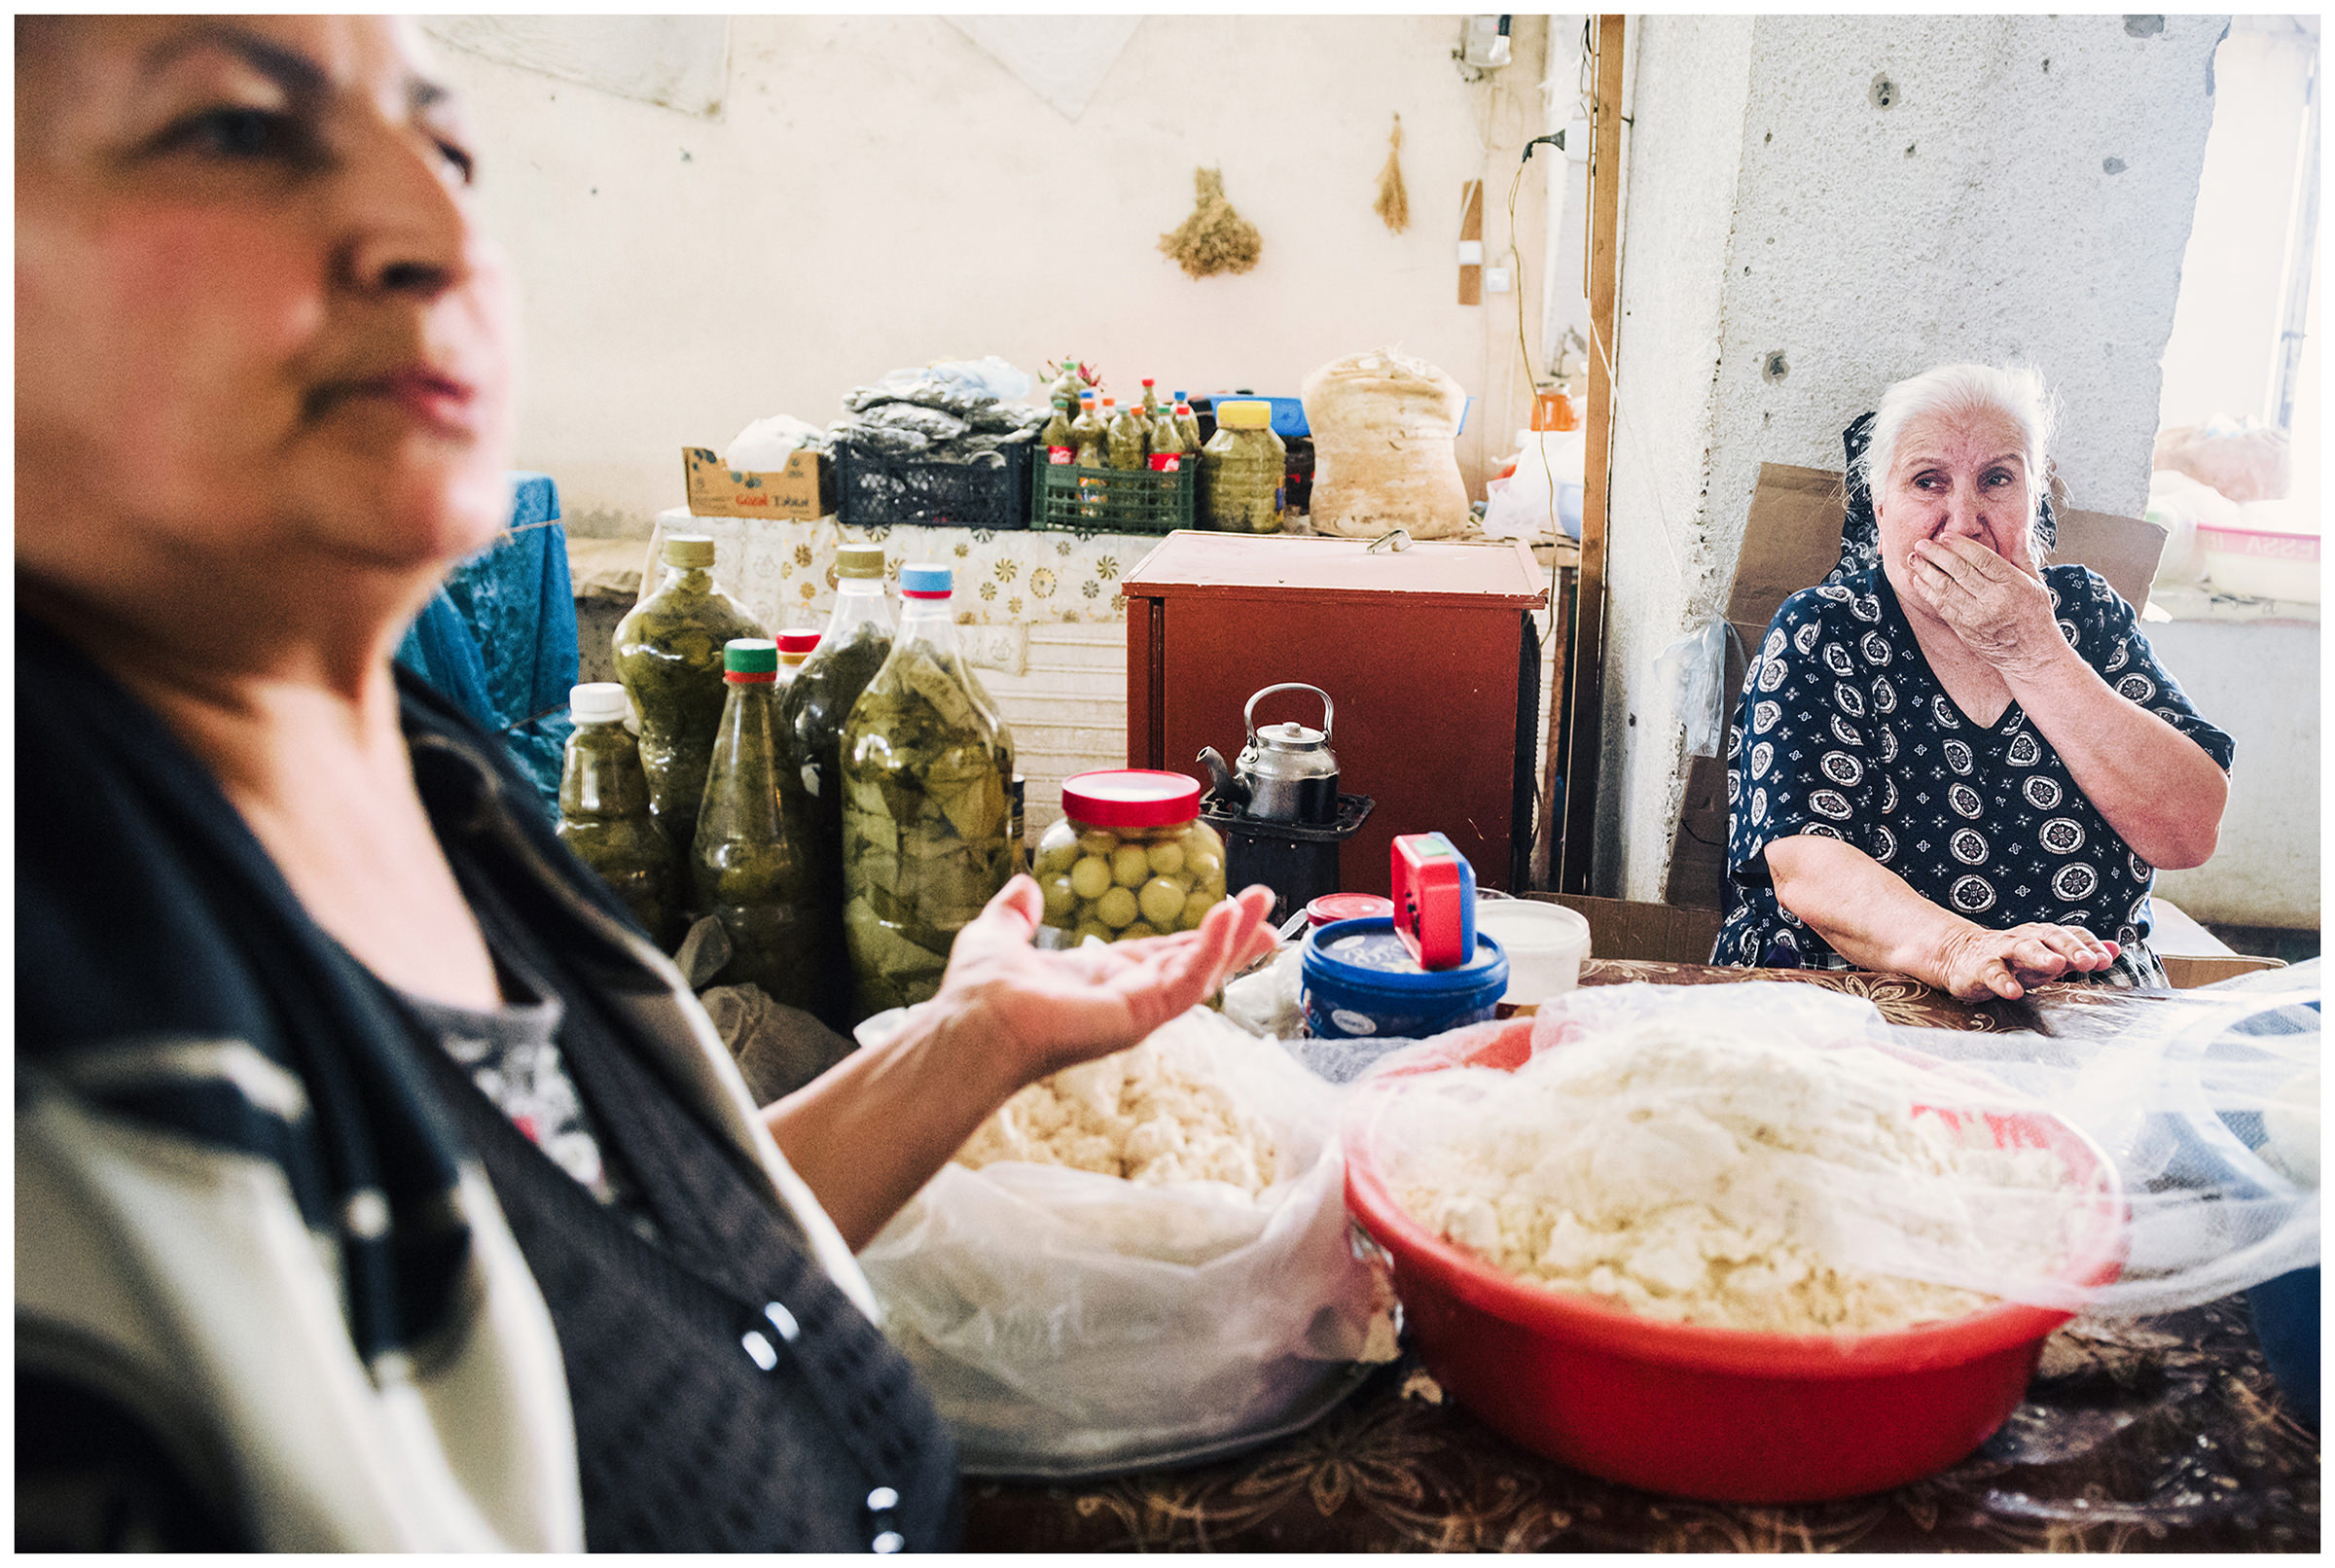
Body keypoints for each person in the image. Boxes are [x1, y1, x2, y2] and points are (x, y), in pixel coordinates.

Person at [15, 17, 1275, 1552]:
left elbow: (650, 1284)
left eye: (450, 148)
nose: (431, 230)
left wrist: (969, 1039)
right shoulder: (73, 993)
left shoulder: (441, 784)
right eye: (231, 129)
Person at [1712, 363, 2234, 999]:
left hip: (2080, 1002)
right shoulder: (1825, 627)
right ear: (1880, 505)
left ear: (2033, 496)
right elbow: (1804, 864)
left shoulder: (2084, 615)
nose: (1963, 521)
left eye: (1996, 480)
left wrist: (2035, 654)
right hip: (1851, 998)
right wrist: (1963, 947)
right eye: (1928, 482)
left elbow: (2188, 830)